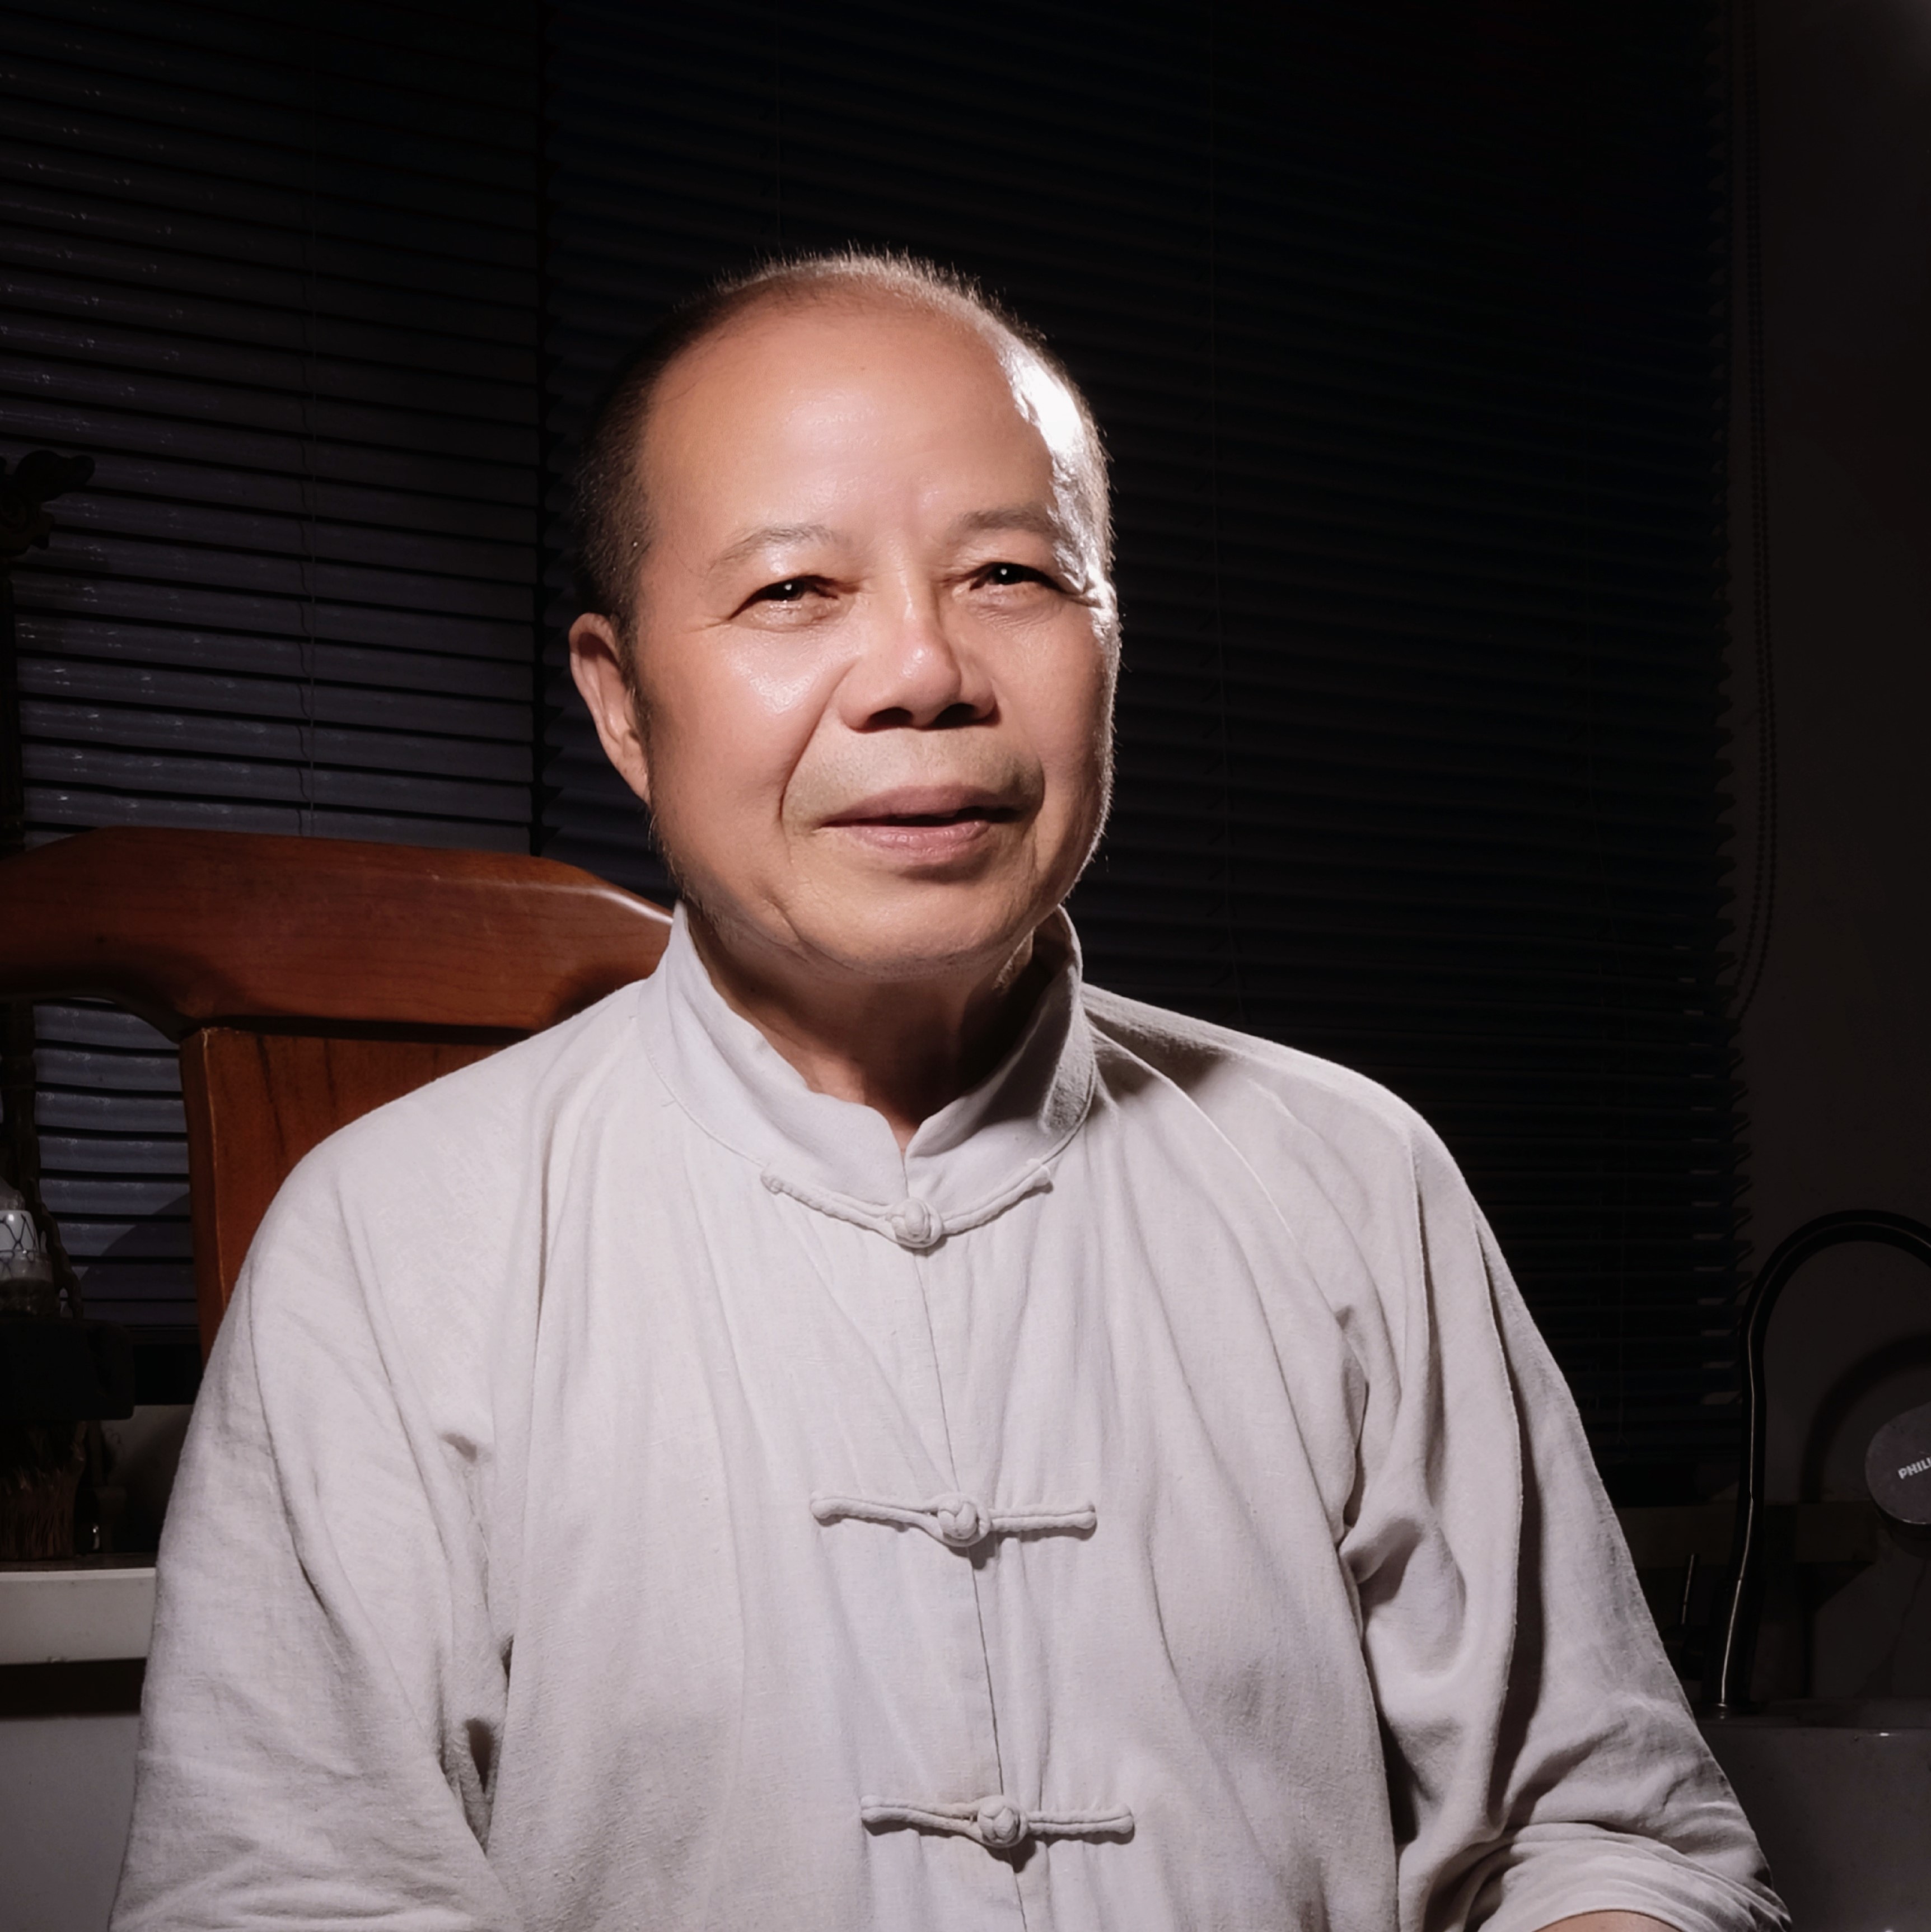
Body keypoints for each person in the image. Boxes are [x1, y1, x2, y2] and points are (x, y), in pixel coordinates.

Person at [112, 252, 1784, 1932]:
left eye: (1009, 574)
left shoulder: (1351, 1179)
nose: (923, 670)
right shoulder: (393, 1240)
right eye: (793, 589)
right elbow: (286, 1902)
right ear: (621, 705)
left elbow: (1607, 1833)